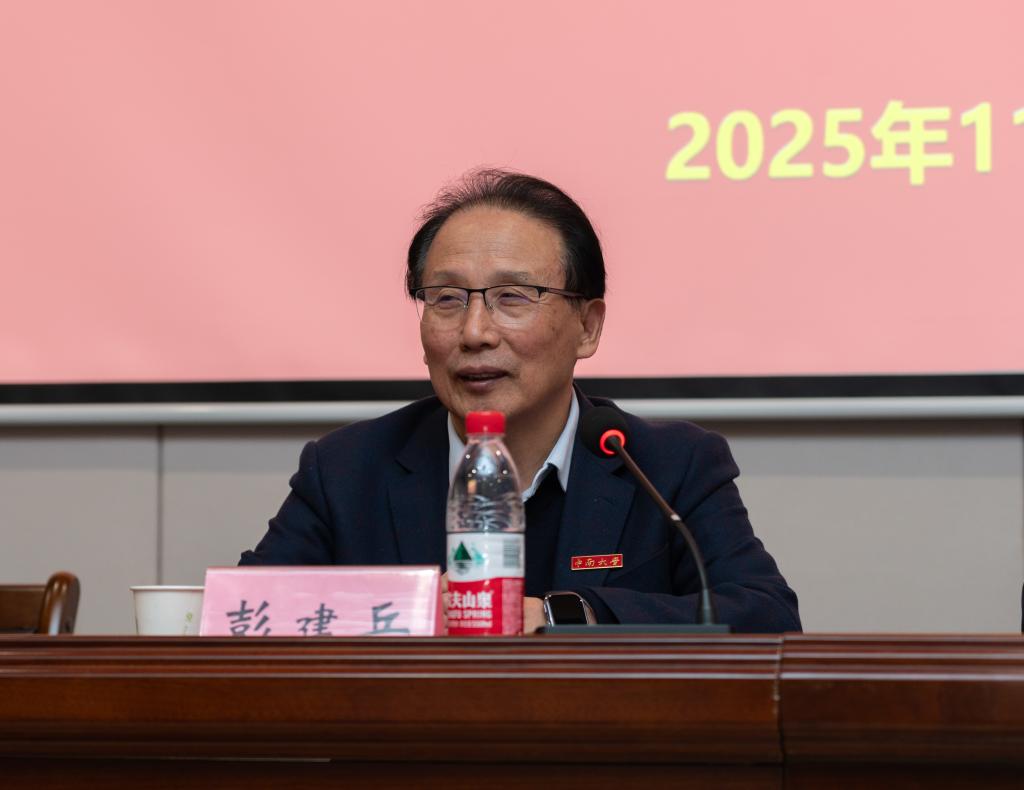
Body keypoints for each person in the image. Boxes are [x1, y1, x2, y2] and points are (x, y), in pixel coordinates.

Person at [240, 168, 801, 633]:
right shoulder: (348, 468)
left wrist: (561, 615)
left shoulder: (666, 465)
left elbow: (764, 616)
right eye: (446, 299)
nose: (475, 332)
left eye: (513, 297)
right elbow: (244, 615)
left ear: (587, 326)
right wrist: (411, 611)